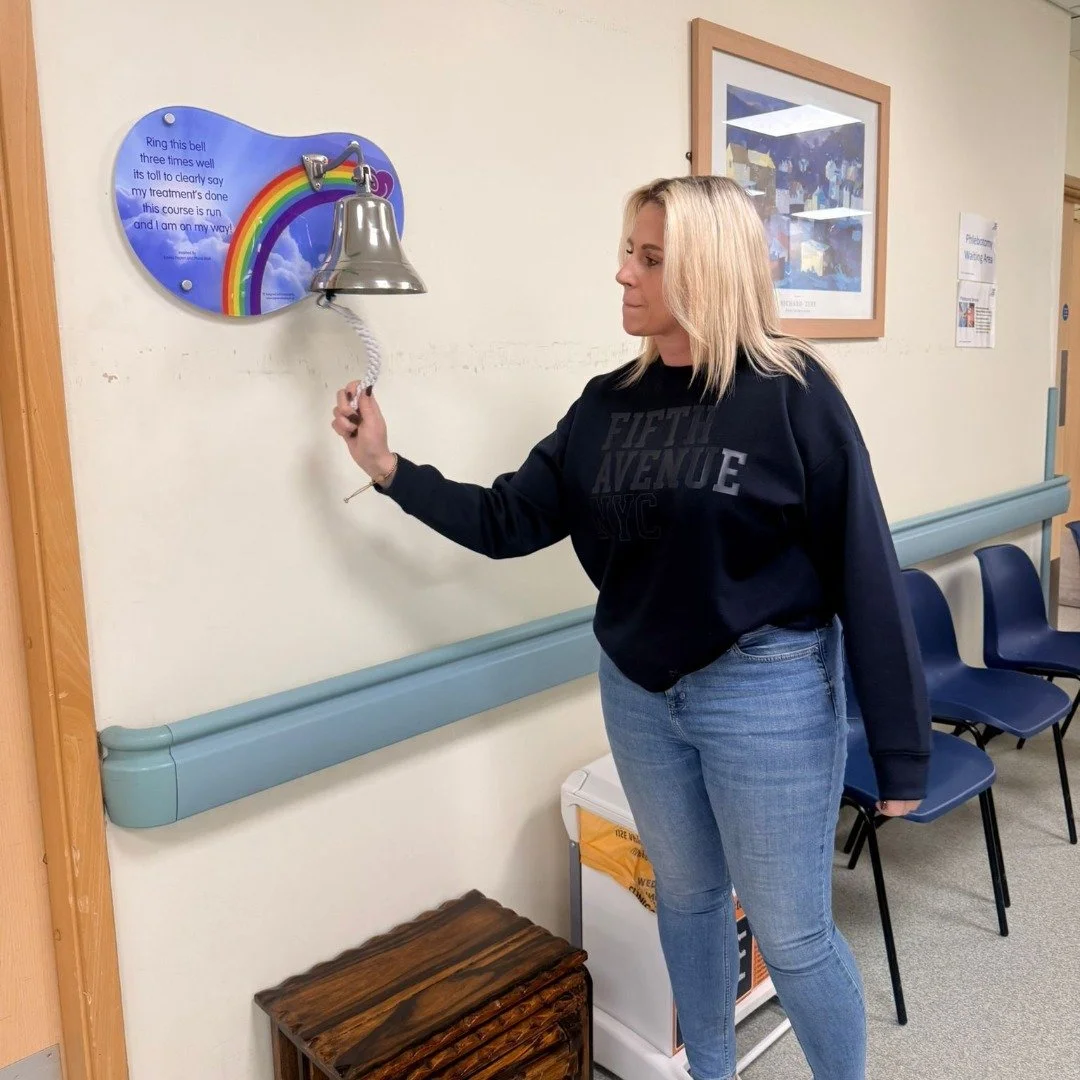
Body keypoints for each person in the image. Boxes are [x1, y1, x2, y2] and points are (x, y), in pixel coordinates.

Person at [331, 175, 930, 1080]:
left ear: (707, 270)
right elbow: (508, 519)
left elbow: (865, 567)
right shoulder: (605, 405)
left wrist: (901, 748)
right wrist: (387, 467)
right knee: (687, 901)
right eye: (627, 252)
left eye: (649, 258)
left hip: (766, 690)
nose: (622, 274)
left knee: (793, 933)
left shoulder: (791, 396)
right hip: (640, 694)